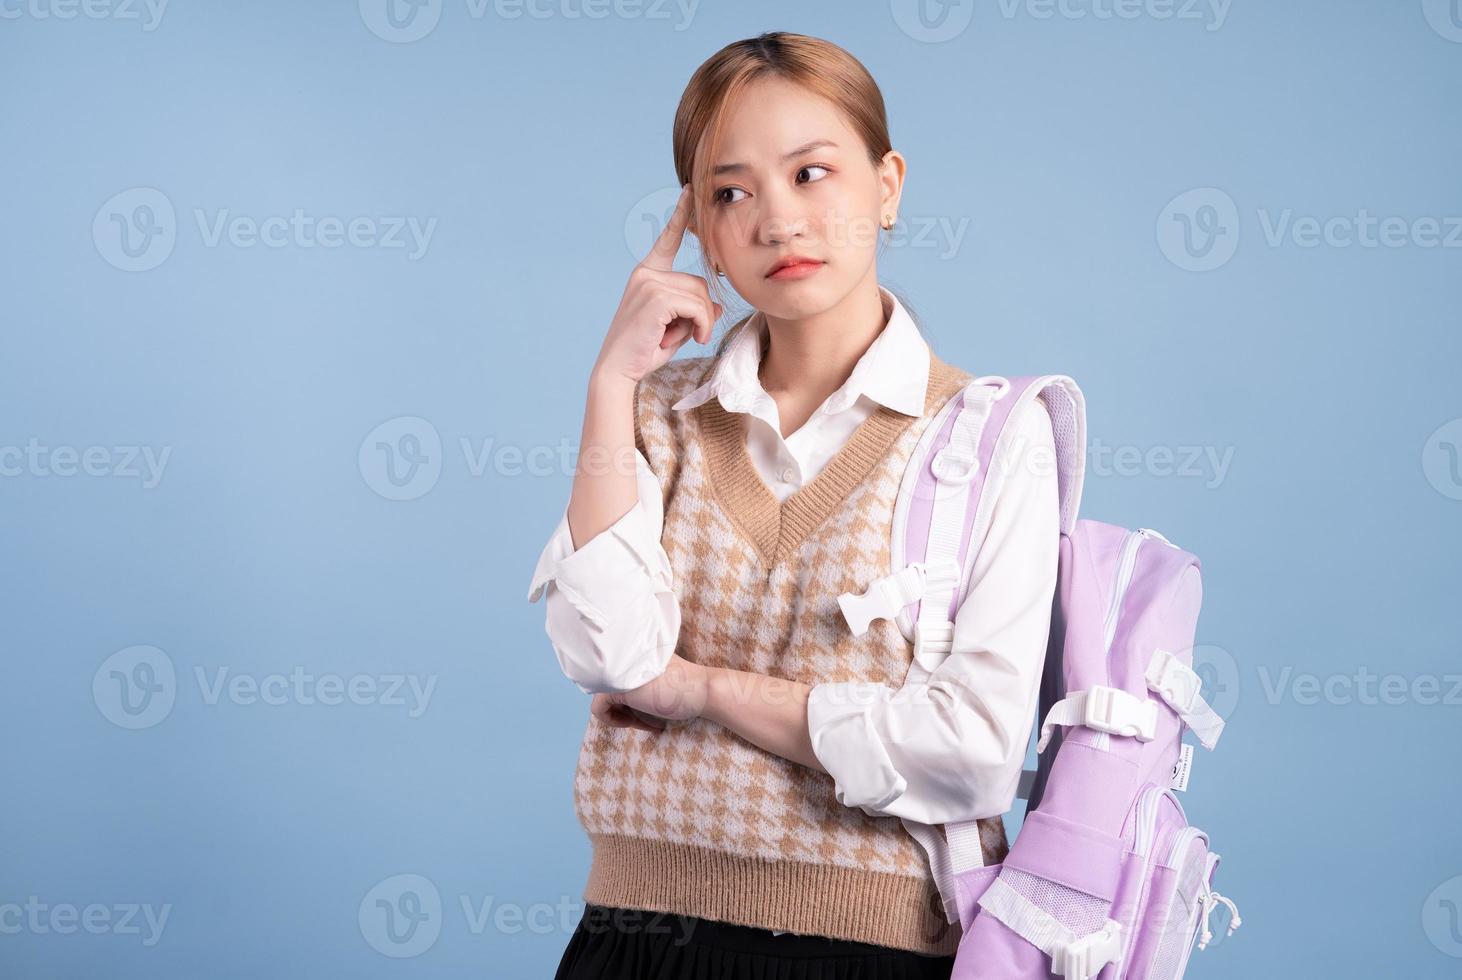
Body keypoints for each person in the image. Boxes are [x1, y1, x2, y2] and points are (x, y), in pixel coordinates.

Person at [527, 30, 1060, 980]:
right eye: (730, 194)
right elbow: (608, 653)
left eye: (812, 173)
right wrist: (610, 378)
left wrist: (708, 692)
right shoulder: (657, 410)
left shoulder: (985, 437)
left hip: (869, 949)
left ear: (886, 185)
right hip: (634, 940)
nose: (777, 220)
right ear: (699, 232)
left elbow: (971, 755)